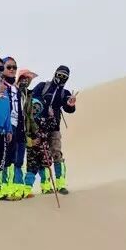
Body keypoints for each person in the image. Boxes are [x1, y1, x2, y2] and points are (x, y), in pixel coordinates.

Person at [32, 66, 77, 194]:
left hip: (54, 127)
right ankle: (46, 186)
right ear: (55, 74)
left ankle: (61, 184)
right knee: (43, 156)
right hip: (40, 126)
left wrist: (70, 104)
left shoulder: (65, 93)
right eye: (59, 75)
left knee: (57, 153)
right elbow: (33, 99)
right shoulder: (42, 86)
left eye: (64, 76)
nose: (61, 78)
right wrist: (45, 106)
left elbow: (69, 109)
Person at [0, 57, 26, 200]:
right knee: (8, 158)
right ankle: (6, 189)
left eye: (14, 67)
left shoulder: (17, 88)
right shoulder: (1, 85)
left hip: (19, 126)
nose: (12, 70)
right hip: (8, 126)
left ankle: (18, 188)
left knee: (18, 158)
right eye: (8, 67)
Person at [13, 69, 38, 198]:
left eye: (28, 79)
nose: (26, 81)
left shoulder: (28, 95)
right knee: (14, 160)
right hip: (13, 129)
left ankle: (21, 188)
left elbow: (29, 116)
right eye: (24, 78)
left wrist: (35, 131)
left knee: (20, 161)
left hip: (24, 131)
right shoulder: (13, 91)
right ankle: (14, 189)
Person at [24, 98, 53, 198]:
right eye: (34, 107)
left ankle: (46, 187)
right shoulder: (26, 121)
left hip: (43, 149)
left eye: (37, 108)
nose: (35, 110)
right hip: (32, 150)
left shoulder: (42, 120)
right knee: (31, 169)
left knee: (45, 167)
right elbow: (24, 135)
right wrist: (30, 141)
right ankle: (27, 189)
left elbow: (51, 127)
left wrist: (51, 116)